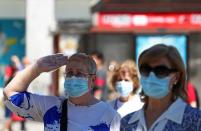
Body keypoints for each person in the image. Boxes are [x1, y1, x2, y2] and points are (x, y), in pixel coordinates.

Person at [3, 53, 120, 131]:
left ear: (93, 79)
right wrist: (36, 68)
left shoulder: (110, 115)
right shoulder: (51, 107)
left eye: (79, 73)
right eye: (69, 72)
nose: (73, 77)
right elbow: (10, 93)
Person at [120, 44, 201, 131]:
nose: (151, 76)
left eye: (161, 71)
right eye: (145, 69)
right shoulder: (127, 122)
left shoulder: (195, 120)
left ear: (176, 77)